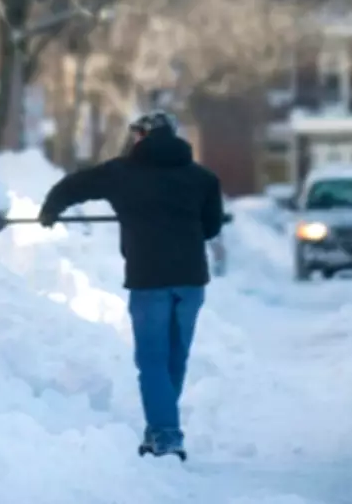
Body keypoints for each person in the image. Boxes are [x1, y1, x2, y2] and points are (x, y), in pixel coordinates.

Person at [38, 110, 225, 457]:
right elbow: (211, 227)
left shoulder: (121, 173)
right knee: (175, 358)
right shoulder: (202, 178)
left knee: (152, 360)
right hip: (190, 282)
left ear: (142, 137)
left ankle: (166, 434)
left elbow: (74, 186)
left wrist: (51, 209)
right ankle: (162, 428)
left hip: (148, 279)